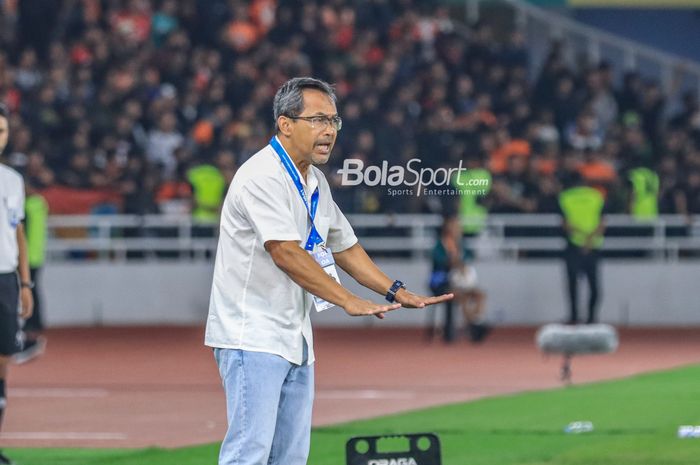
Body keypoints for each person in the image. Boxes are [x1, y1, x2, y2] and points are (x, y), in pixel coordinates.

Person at [204, 77, 452, 465]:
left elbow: (344, 246)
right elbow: (285, 252)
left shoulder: (314, 180)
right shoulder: (262, 176)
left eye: (334, 122)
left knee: (290, 457)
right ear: (285, 124)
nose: (329, 131)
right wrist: (348, 300)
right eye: (319, 120)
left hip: (294, 337)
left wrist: (395, 291)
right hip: (250, 334)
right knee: (248, 454)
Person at [0, 103, 34, 465]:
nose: (0, 138)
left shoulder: (11, 180)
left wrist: (26, 284)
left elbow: (18, 231)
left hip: (6, 279)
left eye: (3, 131)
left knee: (3, 360)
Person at [429, 216, 490, 343]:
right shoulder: (440, 245)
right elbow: (439, 262)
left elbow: (470, 256)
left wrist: (461, 263)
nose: (458, 229)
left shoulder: (460, 244)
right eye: (455, 226)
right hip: (442, 282)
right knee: (462, 297)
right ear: (448, 229)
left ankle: (476, 322)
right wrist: (453, 262)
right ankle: (473, 328)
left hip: (460, 282)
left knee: (479, 295)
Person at [558, 173, 606, 324]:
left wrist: (580, 237)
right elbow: (603, 222)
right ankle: (592, 318)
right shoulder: (596, 196)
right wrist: (589, 240)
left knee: (573, 285)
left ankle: (574, 317)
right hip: (593, 245)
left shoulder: (564, 197)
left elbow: (565, 223)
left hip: (574, 245)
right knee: (594, 285)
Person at [13, 180, 48, 364]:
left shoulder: (24, 205)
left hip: (24, 258)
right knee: (32, 293)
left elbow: (19, 233)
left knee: (22, 295)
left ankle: (26, 336)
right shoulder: (39, 202)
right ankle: (31, 332)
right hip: (36, 256)